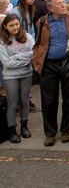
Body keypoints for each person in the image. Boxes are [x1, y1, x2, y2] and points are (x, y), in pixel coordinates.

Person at [32, 0, 69, 146]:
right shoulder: (43, 21)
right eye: (59, 4)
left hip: (68, 62)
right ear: (50, 8)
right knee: (48, 100)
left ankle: (65, 130)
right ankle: (50, 133)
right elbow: (39, 42)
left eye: (64, 3)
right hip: (49, 65)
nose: (64, 6)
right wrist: (37, 60)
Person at [0, 14, 34, 143]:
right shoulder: (2, 41)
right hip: (10, 76)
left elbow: (33, 54)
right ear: (5, 26)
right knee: (13, 103)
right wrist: (25, 60)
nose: (15, 27)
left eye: (17, 24)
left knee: (25, 101)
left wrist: (15, 57)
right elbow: (7, 63)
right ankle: (12, 130)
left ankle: (24, 127)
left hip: (26, 74)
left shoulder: (28, 37)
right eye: (11, 25)